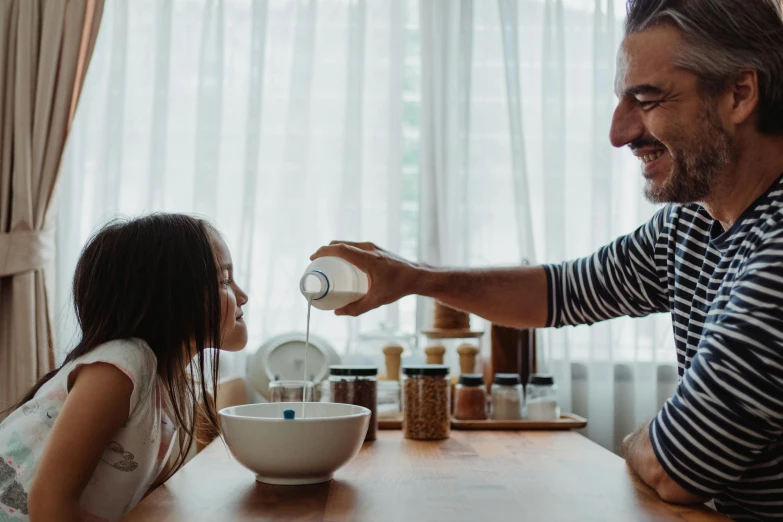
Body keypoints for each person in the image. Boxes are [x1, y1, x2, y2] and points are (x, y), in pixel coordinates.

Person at [311, 0, 783, 519]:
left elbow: (676, 467)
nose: (620, 132)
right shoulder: (691, 225)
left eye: (646, 99)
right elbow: (561, 292)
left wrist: (637, 441)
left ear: (740, 93)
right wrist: (413, 278)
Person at [0, 214, 249, 521]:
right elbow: (50, 506)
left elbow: (153, 500)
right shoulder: (121, 366)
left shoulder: (174, 388)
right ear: (170, 296)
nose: (243, 296)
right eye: (224, 280)